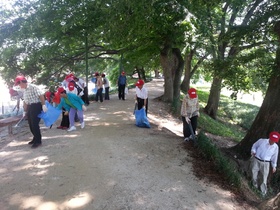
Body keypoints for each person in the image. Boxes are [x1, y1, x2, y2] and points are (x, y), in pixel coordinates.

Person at [14, 75, 48, 148]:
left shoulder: (33, 87)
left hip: (36, 105)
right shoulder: (24, 90)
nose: (19, 86)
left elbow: (41, 95)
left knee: (34, 123)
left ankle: (38, 141)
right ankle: (35, 137)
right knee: (30, 123)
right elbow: (25, 101)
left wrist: (43, 105)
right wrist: (25, 111)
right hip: (30, 107)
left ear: (21, 82)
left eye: (18, 84)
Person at [251, 131, 279, 196]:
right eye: (272, 140)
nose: (273, 141)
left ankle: (262, 193)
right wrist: (253, 151)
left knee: (264, 178)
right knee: (253, 174)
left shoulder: (275, 147)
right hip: (256, 160)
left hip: (266, 163)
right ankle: (254, 187)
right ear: (270, 138)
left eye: (274, 141)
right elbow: (254, 146)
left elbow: (274, 157)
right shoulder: (262, 141)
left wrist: (274, 166)